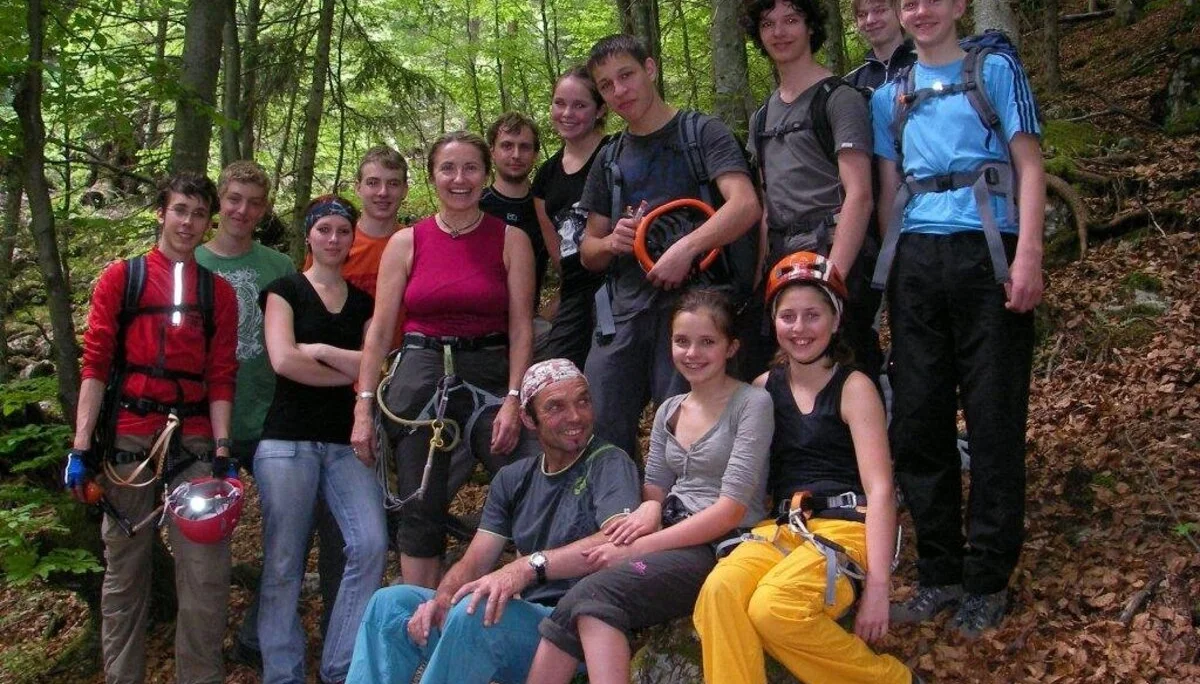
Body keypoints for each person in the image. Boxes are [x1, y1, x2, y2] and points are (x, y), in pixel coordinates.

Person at [871, 0, 1044, 637]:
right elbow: (890, 191)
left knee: (995, 415)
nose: (920, 12)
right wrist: (896, 273)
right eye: (908, 2)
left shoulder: (996, 70)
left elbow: (1028, 164)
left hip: (987, 252)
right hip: (917, 262)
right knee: (918, 418)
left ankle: (988, 576)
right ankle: (940, 569)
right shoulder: (890, 93)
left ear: (960, 6)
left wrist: (1028, 254)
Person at [524, 289, 773, 684]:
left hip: (720, 547)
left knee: (592, 595)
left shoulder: (752, 404)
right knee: (574, 601)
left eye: (707, 342)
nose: (692, 353)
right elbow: (656, 484)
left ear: (731, 347)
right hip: (669, 535)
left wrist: (640, 548)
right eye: (682, 341)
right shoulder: (670, 410)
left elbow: (732, 508)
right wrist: (650, 508)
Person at [345, 359, 642, 684]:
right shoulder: (514, 478)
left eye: (583, 401)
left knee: (472, 614)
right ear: (528, 419)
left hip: (576, 626)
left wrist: (528, 566)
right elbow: (475, 561)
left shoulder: (609, 462)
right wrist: (442, 599)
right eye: (556, 407)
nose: (575, 416)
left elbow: (619, 540)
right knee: (389, 605)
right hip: (524, 619)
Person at [693, 252, 914, 684]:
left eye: (812, 315)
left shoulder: (854, 387)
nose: (799, 329)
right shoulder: (761, 390)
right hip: (783, 528)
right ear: (773, 322)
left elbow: (881, 489)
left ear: (834, 321)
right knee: (719, 592)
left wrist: (878, 587)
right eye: (788, 316)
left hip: (847, 527)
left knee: (774, 609)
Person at [64, 173, 239, 684]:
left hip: (194, 441)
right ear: (162, 212)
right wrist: (81, 448)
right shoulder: (123, 278)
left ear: (210, 223)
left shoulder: (218, 294)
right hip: (127, 442)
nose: (188, 222)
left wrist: (223, 450)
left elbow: (221, 374)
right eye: (180, 210)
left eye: (199, 214)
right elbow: (95, 365)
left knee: (205, 573)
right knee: (124, 573)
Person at [350, 131, 538, 590]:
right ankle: (420, 612)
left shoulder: (510, 240)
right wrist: (363, 404)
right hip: (421, 370)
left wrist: (514, 398)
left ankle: (533, 591)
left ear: (486, 175)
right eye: (448, 169)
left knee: (526, 472)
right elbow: (379, 328)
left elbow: (521, 327)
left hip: (489, 369)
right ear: (433, 177)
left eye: (470, 168)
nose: (459, 179)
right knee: (420, 497)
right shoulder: (407, 242)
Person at [578, 34, 761, 458]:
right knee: (602, 418)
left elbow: (745, 205)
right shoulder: (609, 157)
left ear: (650, 69)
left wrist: (686, 249)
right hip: (625, 311)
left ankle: (689, 516)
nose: (619, 91)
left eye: (626, 76)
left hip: (697, 308)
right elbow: (588, 249)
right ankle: (619, 512)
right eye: (606, 85)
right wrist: (612, 241)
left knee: (684, 427)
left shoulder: (702, 134)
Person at [254, 194, 386, 684]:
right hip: (287, 441)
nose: (333, 239)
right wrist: (355, 372)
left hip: (347, 442)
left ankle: (341, 666)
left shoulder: (364, 303)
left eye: (342, 231)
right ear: (308, 235)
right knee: (285, 559)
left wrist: (325, 350)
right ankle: (282, 673)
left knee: (371, 544)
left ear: (353, 238)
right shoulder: (283, 291)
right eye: (324, 229)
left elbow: (380, 365)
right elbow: (284, 361)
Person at [742, 0, 880, 380]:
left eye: (791, 20)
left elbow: (860, 195)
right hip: (783, 261)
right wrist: (759, 280)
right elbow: (766, 206)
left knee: (849, 370)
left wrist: (830, 278)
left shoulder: (839, 99)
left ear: (811, 27)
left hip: (836, 254)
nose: (779, 32)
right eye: (768, 23)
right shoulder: (762, 117)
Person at [194, 161, 296, 669]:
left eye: (254, 202)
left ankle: (261, 632)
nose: (242, 210)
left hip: (270, 418)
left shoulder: (278, 266)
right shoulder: (191, 261)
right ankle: (202, 649)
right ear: (219, 202)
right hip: (202, 423)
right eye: (234, 199)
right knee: (205, 545)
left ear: (265, 208)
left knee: (285, 530)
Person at [532, 66, 611, 370]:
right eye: (559, 103)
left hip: (619, 283)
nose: (567, 113)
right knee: (559, 372)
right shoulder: (545, 177)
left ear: (600, 108)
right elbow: (557, 252)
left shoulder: (615, 153)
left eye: (580, 105)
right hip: (576, 293)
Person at [481, 112, 549, 307]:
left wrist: (549, 314)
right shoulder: (475, 205)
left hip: (530, 319)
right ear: (492, 151)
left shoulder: (545, 208)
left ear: (535, 155)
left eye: (525, 147)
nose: (516, 155)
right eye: (507, 145)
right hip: (479, 323)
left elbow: (570, 270)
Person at [845, 0, 917, 91]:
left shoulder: (925, 66)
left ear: (900, 13)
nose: (870, 20)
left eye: (879, 11)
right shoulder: (853, 82)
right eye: (862, 15)